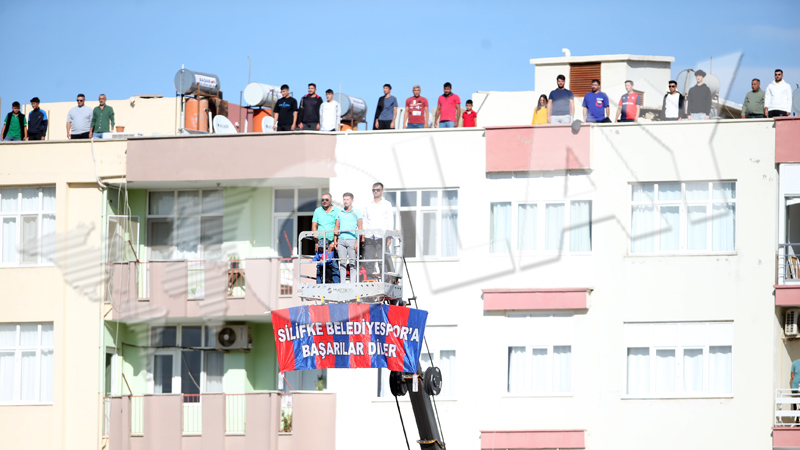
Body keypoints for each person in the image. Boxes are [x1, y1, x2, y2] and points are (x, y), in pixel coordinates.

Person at [362, 182, 394, 279]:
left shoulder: (387, 204)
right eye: (374, 190)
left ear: (382, 191)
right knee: (369, 260)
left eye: (378, 190)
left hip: (381, 236)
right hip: (369, 236)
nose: (375, 192)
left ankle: (384, 279)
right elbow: (365, 220)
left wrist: (389, 236)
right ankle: (370, 279)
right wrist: (364, 235)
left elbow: (390, 221)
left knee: (382, 260)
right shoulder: (368, 205)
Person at [335, 192, 362, 282]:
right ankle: (342, 283)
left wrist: (358, 241)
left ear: (352, 201)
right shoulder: (340, 212)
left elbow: (360, 228)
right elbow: (336, 226)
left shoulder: (357, 212)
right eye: (344, 199)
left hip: (352, 239)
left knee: (352, 263)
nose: (345, 201)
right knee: (342, 263)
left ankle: (352, 283)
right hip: (341, 240)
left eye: (347, 199)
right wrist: (335, 240)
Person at [791, 357, 800, 421]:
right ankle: (796, 419)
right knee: (795, 403)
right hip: (795, 387)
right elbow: (792, 375)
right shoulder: (794, 363)